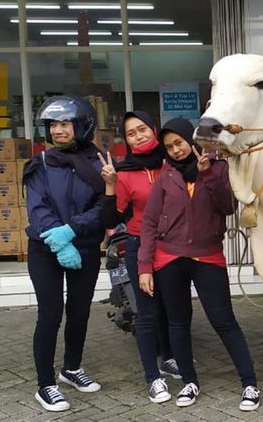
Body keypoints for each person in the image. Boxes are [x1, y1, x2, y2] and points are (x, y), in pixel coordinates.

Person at [137, 118, 260, 411]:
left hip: (207, 256)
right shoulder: (166, 175)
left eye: (179, 143)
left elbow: (227, 207)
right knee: (178, 324)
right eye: (169, 147)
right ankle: (189, 382)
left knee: (224, 321)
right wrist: (144, 266)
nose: (176, 150)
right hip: (169, 259)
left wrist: (205, 175)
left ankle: (250, 384)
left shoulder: (217, 169)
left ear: (191, 140)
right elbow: (150, 222)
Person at [23, 95, 105, 412]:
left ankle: (71, 368)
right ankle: (45, 384)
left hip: (84, 247)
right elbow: (38, 207)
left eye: (65, 123)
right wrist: (58, 239)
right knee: (51, 314)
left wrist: (73, 230)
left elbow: (105, 206)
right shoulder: (41, 163)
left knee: (80, 311)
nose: (58, 130)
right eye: (53, 124)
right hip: (45, 249)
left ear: (82, 125)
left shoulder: (99, 162)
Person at [97, 111, 180, 403]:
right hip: (138, 245)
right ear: (127, 141)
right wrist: (110, 183)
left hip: (173, 247)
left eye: (142, 129)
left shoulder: (173, 163)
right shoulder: (124, 172)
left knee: (172, 308)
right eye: (131, 133)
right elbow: (110, 216)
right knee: (146, 312)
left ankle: (170, 357)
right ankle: (153, 377)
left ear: (154, 130)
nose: (138, 136)